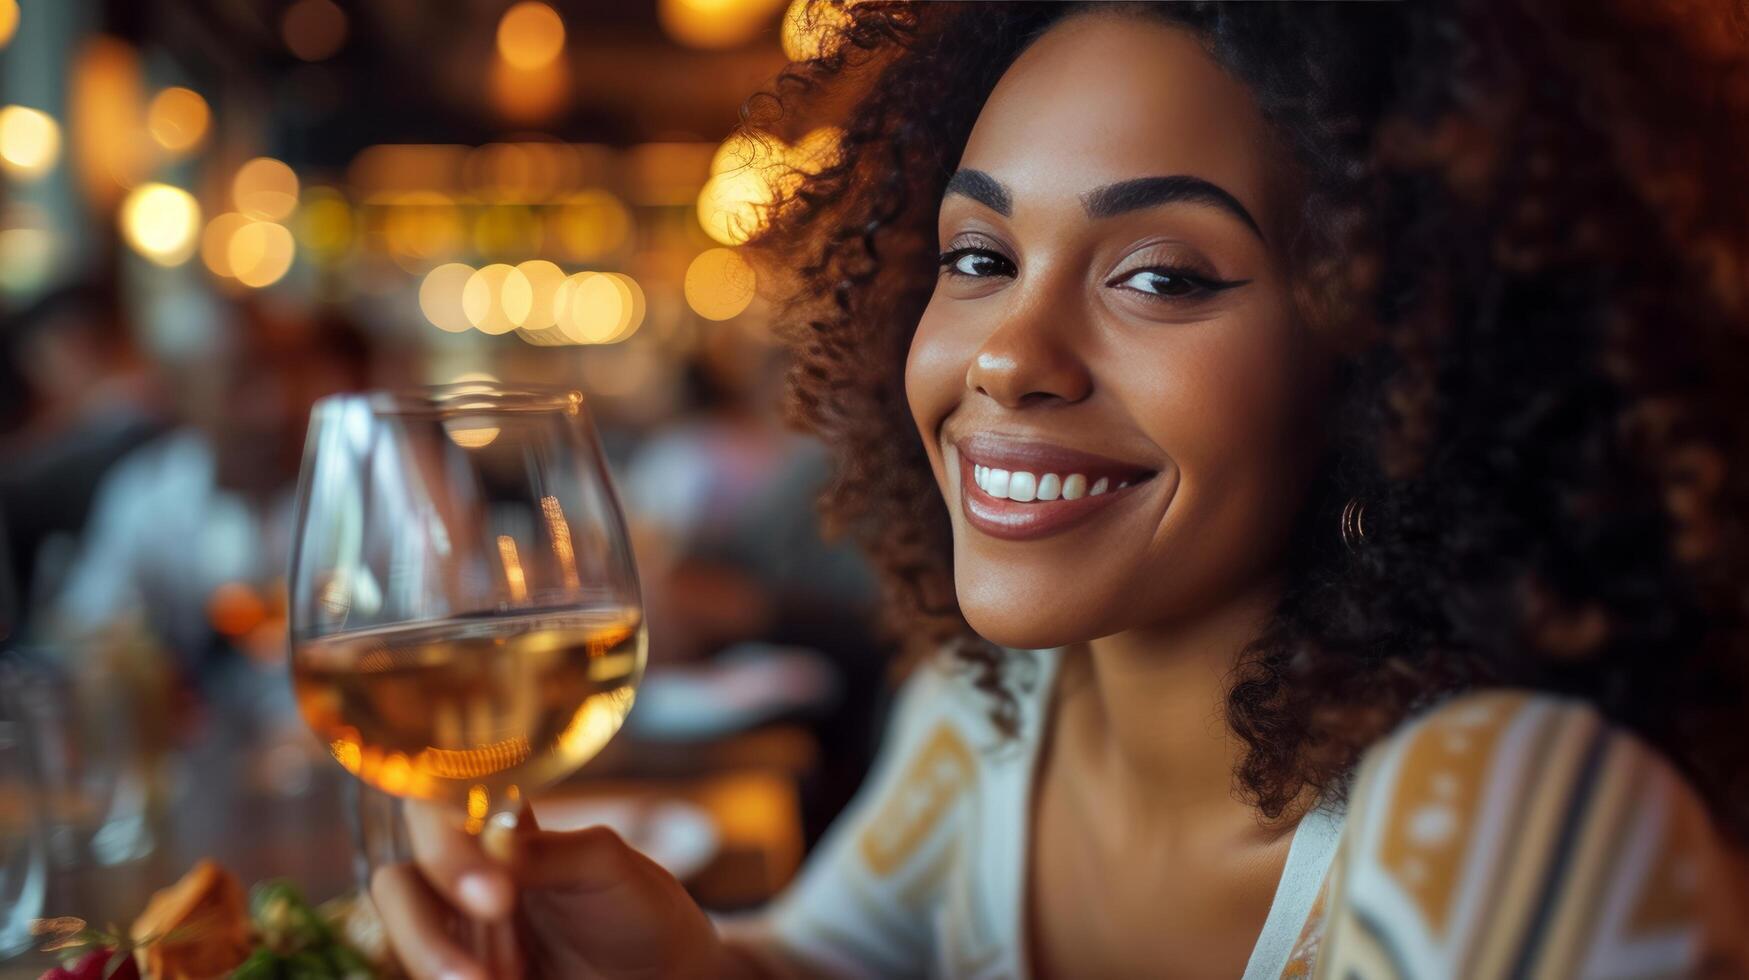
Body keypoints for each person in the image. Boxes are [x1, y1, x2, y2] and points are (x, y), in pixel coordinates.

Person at [370, 2, 1749, 976]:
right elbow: (836, 958)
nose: (1008, 358)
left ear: (1396, 363)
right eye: (976, 258)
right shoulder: (992, 721)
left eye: (1160, 276)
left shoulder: (1513, 817)